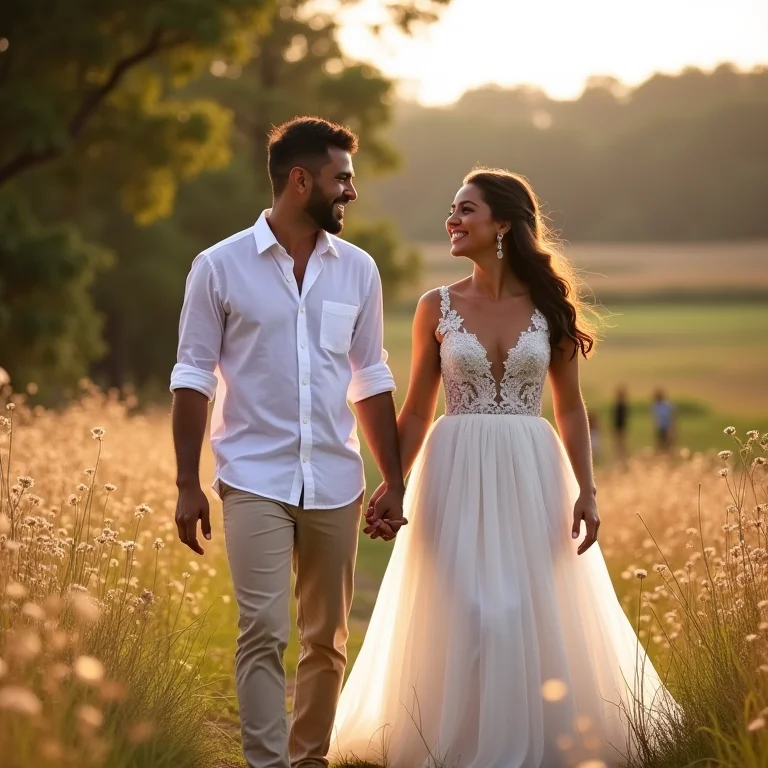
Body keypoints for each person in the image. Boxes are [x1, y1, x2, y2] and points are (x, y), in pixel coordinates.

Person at [332, 169, 673, 767]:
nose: (452, 221)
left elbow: (569, 407)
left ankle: (531, 742)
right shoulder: (434, 306)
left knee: (521, 605)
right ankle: (460, 742)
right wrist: (394, 481)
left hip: (531, 471)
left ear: (503, 225)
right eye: (452, 210)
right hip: (455, 468)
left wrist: (587, 491)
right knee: (467, 607)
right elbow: (416, 408)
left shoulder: (549, 309)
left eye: (466, 210)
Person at [170, 116, 407, 768]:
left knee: (327, 640)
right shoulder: (218, 267)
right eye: (342, 179)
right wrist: (188, 484)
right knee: (264, 631)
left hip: (334, 477)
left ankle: (310, 760)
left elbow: (371, 377)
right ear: (301, 181)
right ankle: (267, 764)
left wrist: (395, 476)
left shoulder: (358, 271)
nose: (351, 193)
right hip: (252, 477)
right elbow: (192, 375)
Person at [612, 385, 629, 461]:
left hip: (621, 427)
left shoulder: (621, 405)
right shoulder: (620, 405)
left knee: (621, 445)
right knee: (620, 445)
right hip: (619, 427)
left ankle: (622, 460)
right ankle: (620, 459)